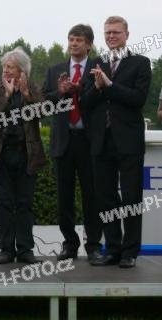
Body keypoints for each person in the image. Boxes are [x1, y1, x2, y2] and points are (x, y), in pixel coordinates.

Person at [81, 16, 151, 268]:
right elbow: (85, 101)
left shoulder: (140, 63)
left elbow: (137, 99)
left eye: (116, 32)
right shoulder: (96, 63)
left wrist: (109, 85)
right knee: (106, 197)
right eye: (107, 32)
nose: (111, 36)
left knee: (131, 197)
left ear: (126, 35)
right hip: (101, 140)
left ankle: (130, 251)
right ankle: (112, 248)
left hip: (128, 141)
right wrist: (98, 87)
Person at [42, 24, 102, 263]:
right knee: (64, 198)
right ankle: (69, 244)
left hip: (90, 141)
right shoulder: (55, 70)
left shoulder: (99, 68)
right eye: (71, 39)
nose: (74, 43)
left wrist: (81, 88)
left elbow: (102, 98)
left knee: (92, 196)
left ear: (89, 44)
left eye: (79, 40)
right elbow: (45, 104)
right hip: (64, 141)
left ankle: (94, 246)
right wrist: (59, 92)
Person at [0, 47, 46, 265]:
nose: (6, 70)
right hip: (2, 155)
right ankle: (6, 250)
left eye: (10, 67)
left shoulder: (34, 88)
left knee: (24, 203)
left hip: (26, 154)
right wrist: (7, 95)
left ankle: (25, 250)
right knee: (4, 203)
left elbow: (44, 112)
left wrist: (27, 95)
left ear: (22, 70)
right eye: (4, 67)